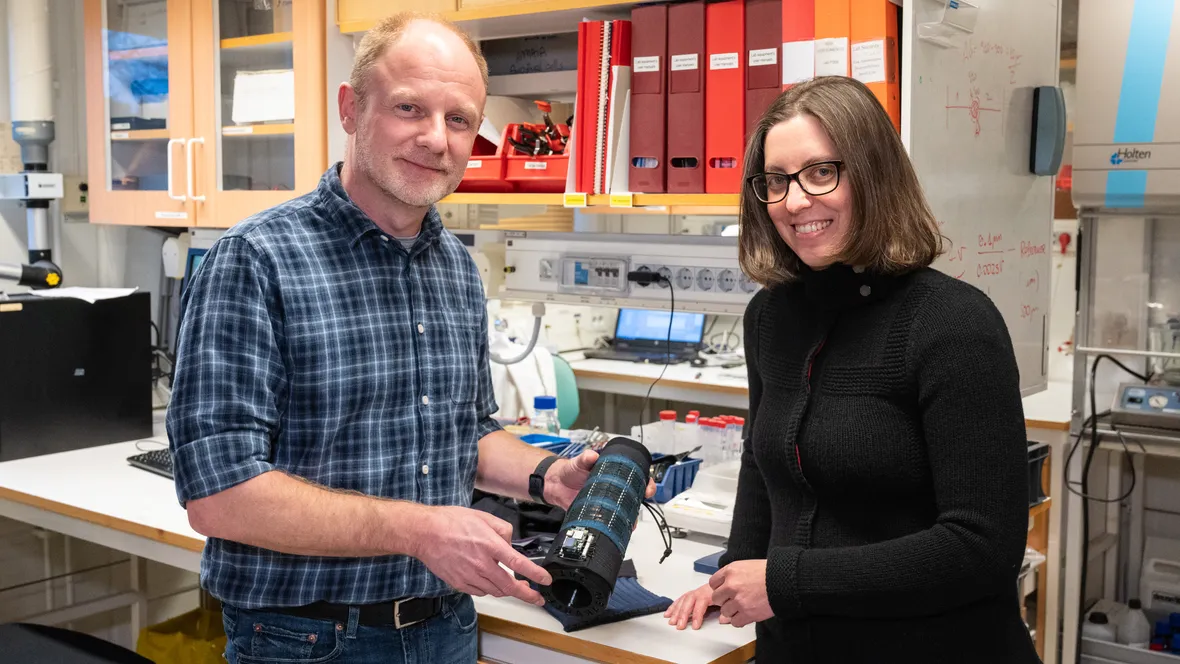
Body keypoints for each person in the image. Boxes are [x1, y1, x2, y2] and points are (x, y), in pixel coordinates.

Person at [167, 13, 651, 664]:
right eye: (408, 108)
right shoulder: (256, 260)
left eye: (459, 120)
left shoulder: (454, 266)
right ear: (351, 108)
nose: (435, 138)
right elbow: (218, 496)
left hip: (444, 628)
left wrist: (547, 477)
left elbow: (464, 430)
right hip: (306, 640)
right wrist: (419, 529)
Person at [664, 76, 1041, 663]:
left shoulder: (954, 324)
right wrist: (731, 581)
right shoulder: (771, 315)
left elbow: (982, 548)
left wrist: (784, 582)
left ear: (874, 175)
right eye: (776, 182)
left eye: (820, 173)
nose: (793, 202)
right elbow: (762, 468)